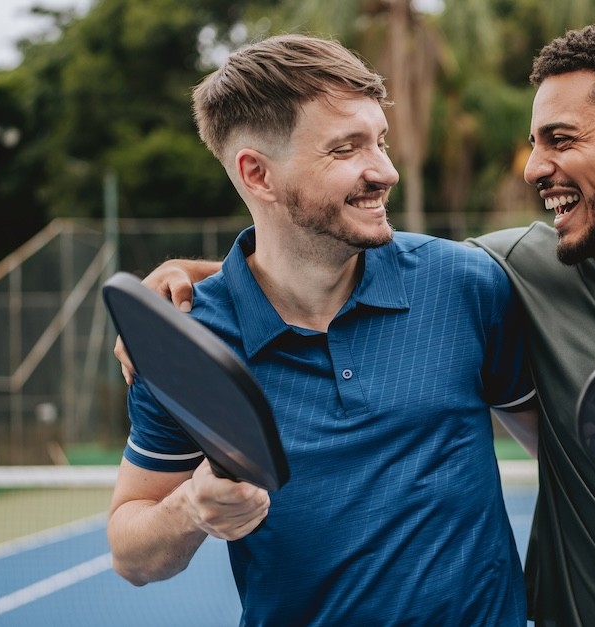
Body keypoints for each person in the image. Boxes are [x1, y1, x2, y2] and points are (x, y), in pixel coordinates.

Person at [128, 18, 595, 627]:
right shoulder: (504, 271)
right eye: (535, 141)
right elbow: (325, 247)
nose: (534, 166)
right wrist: (205, 281)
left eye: (560, 140)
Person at [106, 34, 537, 627]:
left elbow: (563, 456)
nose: (384, 170)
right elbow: (131, 551)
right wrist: (188, 510)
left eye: (379, 141)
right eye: (346, 148)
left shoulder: (466, 285)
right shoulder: (186, 337)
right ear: (257, 174)